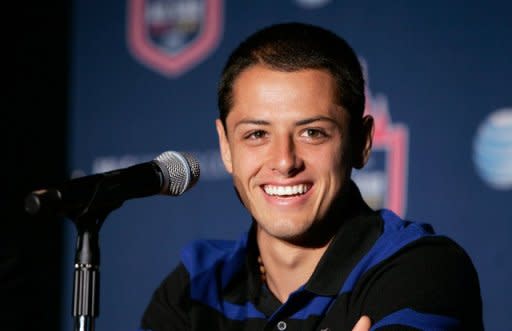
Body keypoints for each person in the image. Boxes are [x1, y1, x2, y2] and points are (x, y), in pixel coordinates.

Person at [139, 22, 483, 331]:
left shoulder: (422, 271)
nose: (285, 161)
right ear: (226, 147)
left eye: (313, 133)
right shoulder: (195, 286)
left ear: (362, 143)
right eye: (257, 134)